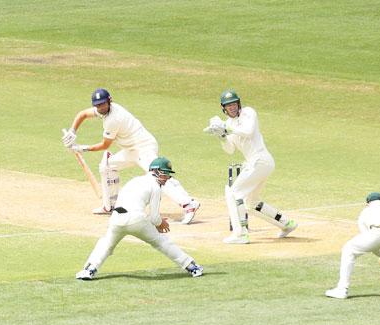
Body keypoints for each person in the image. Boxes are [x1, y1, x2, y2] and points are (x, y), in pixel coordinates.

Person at [62, 88, 200, 224]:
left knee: (158, 176)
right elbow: (82, 115)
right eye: (97, 105)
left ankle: (188, 204)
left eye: (102, 104)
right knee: (107, 166)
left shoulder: (113, 119)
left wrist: (81, 148)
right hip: (131, 150)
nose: (100, 107)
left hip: (143, 147)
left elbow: (105, 145)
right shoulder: (102, 111)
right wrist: (72, 131)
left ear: (109, 101)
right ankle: (110, 205)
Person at [76, 156, 204, 280]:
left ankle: (89, 270)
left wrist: (157, 222)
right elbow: (154, 218)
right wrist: (161, 224)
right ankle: (192, 267)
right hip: (136, 219)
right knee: (162, 242)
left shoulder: (135, 180)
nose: (168, 178)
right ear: (156, 171)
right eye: (165, 174)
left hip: (116, 219)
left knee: (106, 244)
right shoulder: (155, 187)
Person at [204, 89, 297, 244]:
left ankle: (240, 234)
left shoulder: (248, 113)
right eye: (228, 105)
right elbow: (230, 150)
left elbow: (248, 131)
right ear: (224, 108)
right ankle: (287, 224)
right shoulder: (228, 124)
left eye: (234, 104)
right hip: (257, 163)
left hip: (260, 159)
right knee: (251, 203)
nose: (232, 107)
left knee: (234, 193)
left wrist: (226, 129)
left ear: (238, 103)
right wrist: (221, 136)